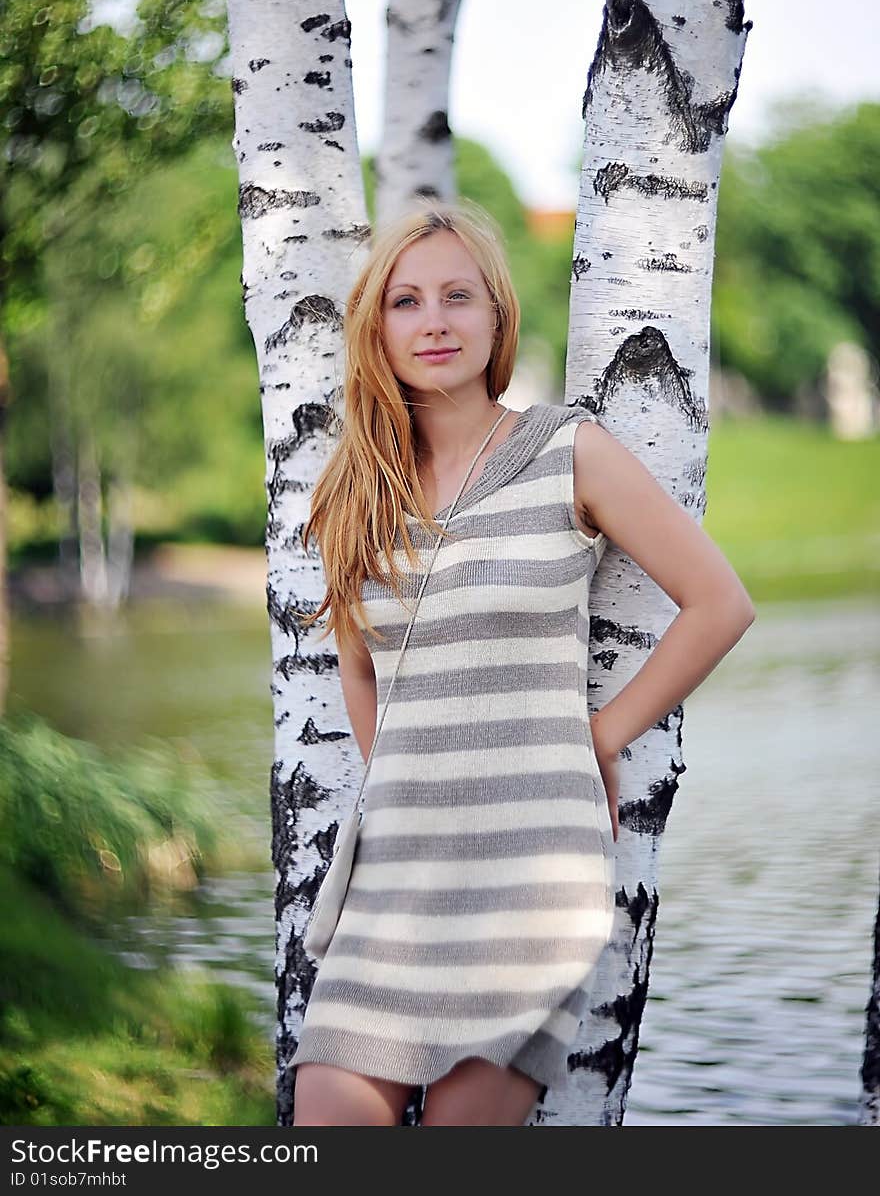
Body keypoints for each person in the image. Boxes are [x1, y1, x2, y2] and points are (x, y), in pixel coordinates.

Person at [290, 198, 755, 1126]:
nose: (434, 322)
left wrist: (600, 735)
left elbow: (720, 605)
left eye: (458, 297)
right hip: (396, 883)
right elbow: (359, 670)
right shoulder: (357, 485)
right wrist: (406, 780)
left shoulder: (566, 451)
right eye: (407, 301)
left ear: (497, 316)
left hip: (530, 876)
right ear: (375, 327)